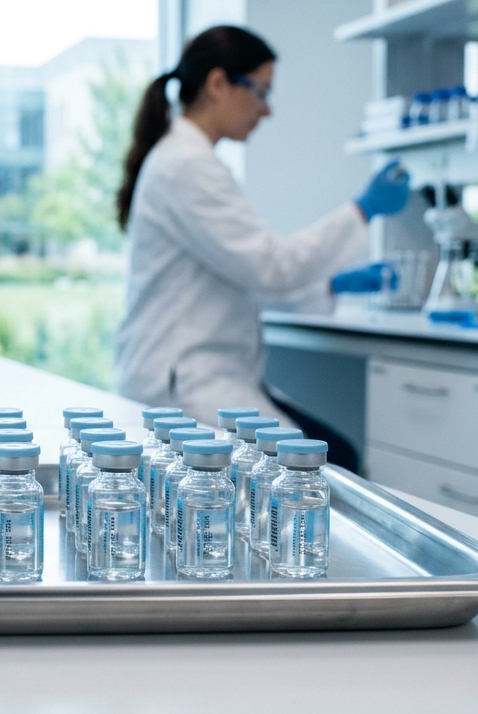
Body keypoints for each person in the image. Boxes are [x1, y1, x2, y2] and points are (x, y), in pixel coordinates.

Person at [114, 25, 408, 467]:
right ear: (218, 84)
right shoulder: (186, 166)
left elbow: (243, 276)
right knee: (326, 468)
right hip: (185, 384)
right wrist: (361, 210)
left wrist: (332, 287)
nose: (266, 110)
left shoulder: (187, 160)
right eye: (260, 91)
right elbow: (272, 267)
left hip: (206, 374)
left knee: (338, 457)